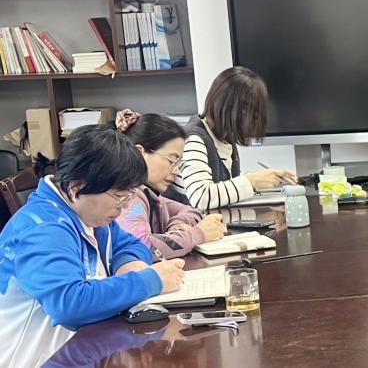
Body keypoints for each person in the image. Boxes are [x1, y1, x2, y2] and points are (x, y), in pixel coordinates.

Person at [0, 125, 186, 368]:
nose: (124, 207)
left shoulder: (88, 213)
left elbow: (130, 244)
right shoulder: (44, 228)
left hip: (77, 351)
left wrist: (128, 263)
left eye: (129, 196)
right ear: (77, 187)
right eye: (119, 197)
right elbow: (69, 304)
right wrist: (151, 281)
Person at [170, 66, 298, 210]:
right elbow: (201, 197)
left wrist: (262, 178)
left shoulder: (223, 137)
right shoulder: (194, 139)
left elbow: (224, 180)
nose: (253, 122)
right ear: (232, 109)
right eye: (253, 114)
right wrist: (251, 181)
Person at [115, 109, 227, 259]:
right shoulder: (130, 199)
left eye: (179, 163)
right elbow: (142, 246)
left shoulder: (151, 195)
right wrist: (198, 234)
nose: (176, 170)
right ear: (140, 152)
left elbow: (192, 211)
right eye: (172, 160)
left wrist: (177, 226)